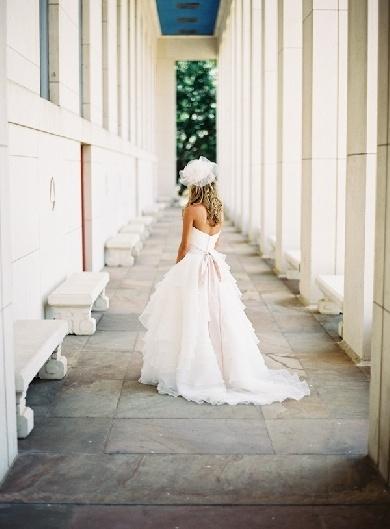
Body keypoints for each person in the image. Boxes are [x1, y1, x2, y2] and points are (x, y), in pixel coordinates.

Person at [138, 156, 310, 405]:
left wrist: (177, 269)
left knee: (192, 315)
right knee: (220, 316)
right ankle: (228, 369)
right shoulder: (217, 210)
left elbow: (185, 245)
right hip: (215, 265)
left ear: (193, 186)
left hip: (195, 265)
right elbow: (215, 243)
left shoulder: (191, 210)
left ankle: (194, 369)